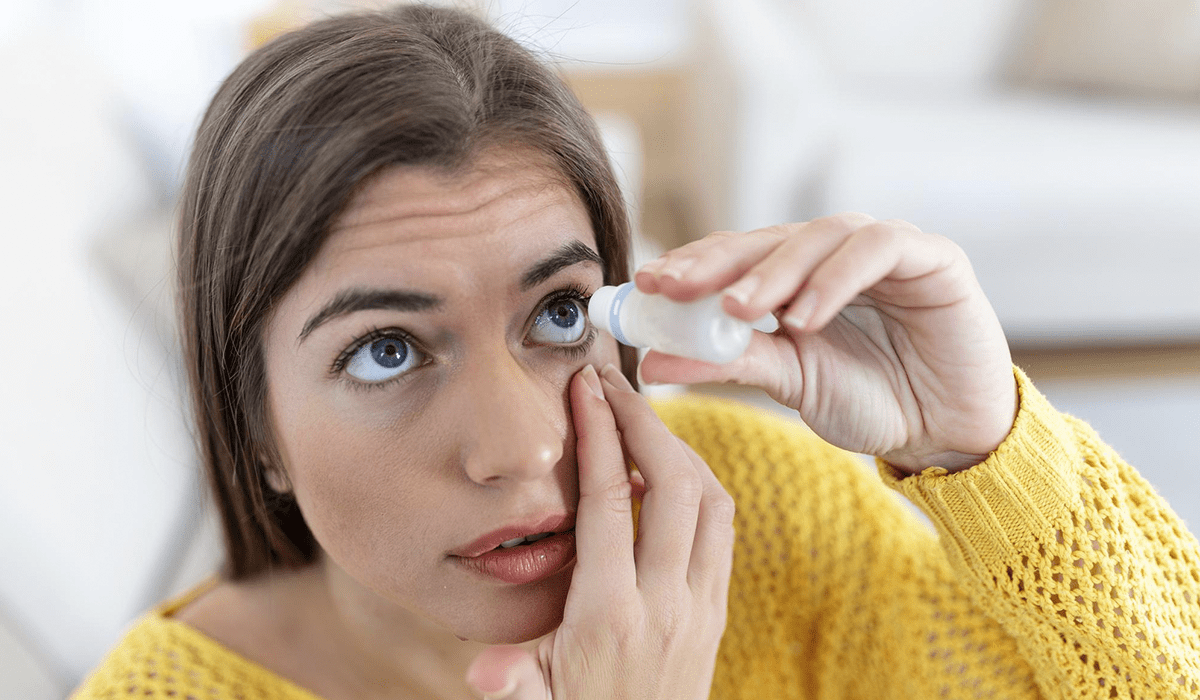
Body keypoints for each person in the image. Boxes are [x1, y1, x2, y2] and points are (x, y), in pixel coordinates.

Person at [72, 5, 1200, 700]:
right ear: (255, 426)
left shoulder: (754, 510)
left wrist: (989, 451)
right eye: (385, 351)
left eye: (559, 315)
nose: (523, 451)